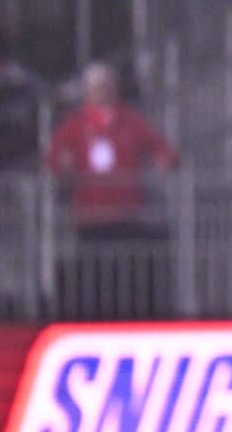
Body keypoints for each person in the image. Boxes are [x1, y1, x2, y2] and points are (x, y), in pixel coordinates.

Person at [44, 62, 176, 318]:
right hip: (90, 216)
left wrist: (161, 163)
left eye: (105, 86)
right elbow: (52, 160)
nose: (101, 92)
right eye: (95, 88)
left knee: (126, 274)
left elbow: (164, 151)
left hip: (126, 213)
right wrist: (63, 166)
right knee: (93, 276)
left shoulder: (131, 122)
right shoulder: (75, 125)